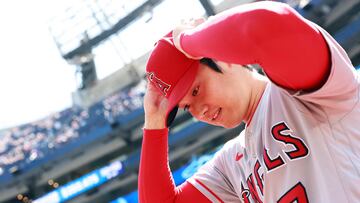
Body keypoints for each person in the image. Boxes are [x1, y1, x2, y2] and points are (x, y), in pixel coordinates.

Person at [139, 1, 360, 202]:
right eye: (186, 107)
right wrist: (155, 119)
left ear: (224, 58)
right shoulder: (229, 164)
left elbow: (266, 25)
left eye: (196, 91)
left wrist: (187, 41)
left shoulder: (300, 92)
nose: (199, 112)